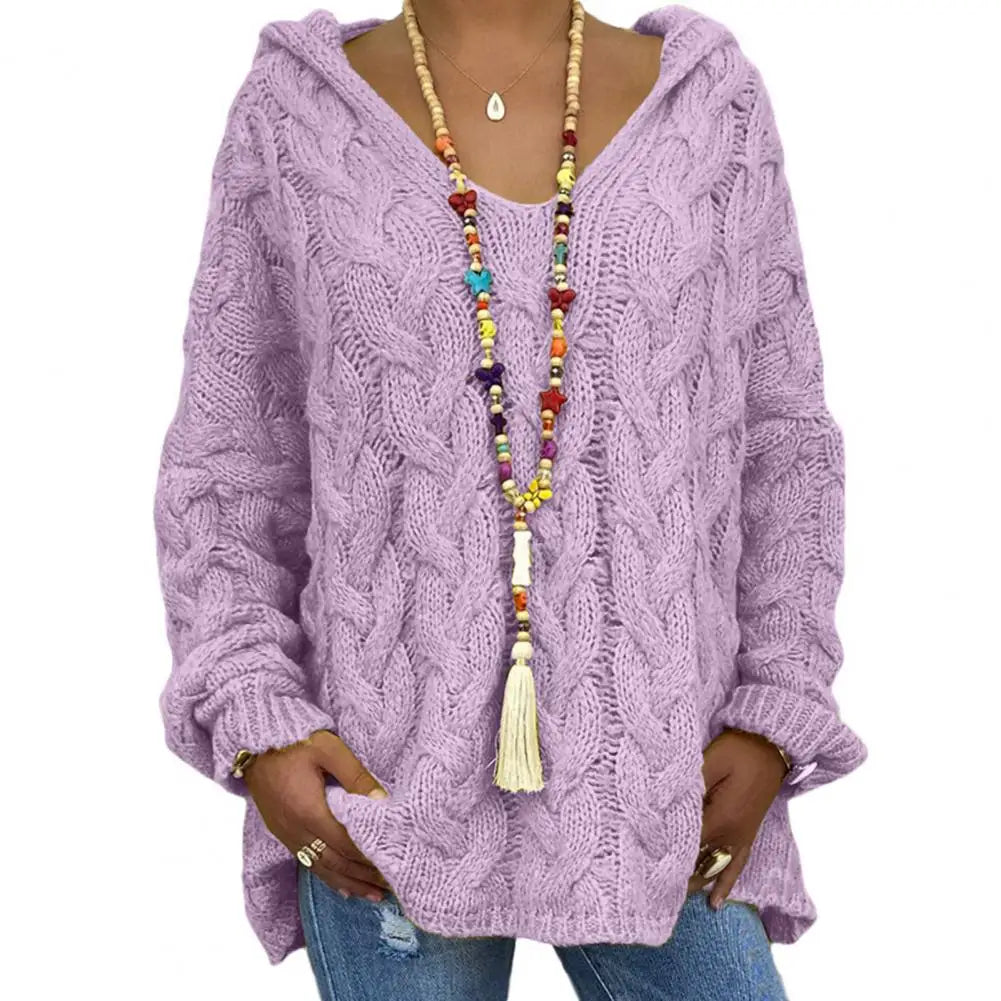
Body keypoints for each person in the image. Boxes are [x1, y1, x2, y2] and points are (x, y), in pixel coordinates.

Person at [152, 2, 867, 998]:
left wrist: (775, 709)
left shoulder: (709, 108)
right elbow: (230, 458)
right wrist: (254, 712)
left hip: (663, 784)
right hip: (382, 790)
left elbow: (782, 439)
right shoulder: (296, 114)